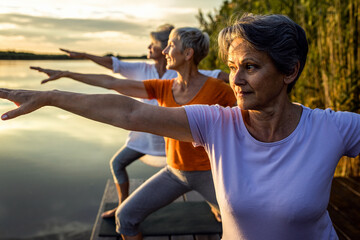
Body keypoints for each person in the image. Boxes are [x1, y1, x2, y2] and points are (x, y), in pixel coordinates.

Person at [1, 13, 359, 240]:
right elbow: (128, 112)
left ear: (290, 71)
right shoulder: (216, 123)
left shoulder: (333, 128)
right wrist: (50, 96)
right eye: (232, 67)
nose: (236, 79)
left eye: (250, 67)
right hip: (176, 171)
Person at [27, 27, 236, 239]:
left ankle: (217, 206)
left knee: (240, 219)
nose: (164, 51)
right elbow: (112, 82)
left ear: (188, 54)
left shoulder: (218, 90)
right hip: (174, 173)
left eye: (171, 45)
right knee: (125, 218)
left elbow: (248, 123)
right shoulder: (163, 87)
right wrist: (67, 74)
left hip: (209, 174)